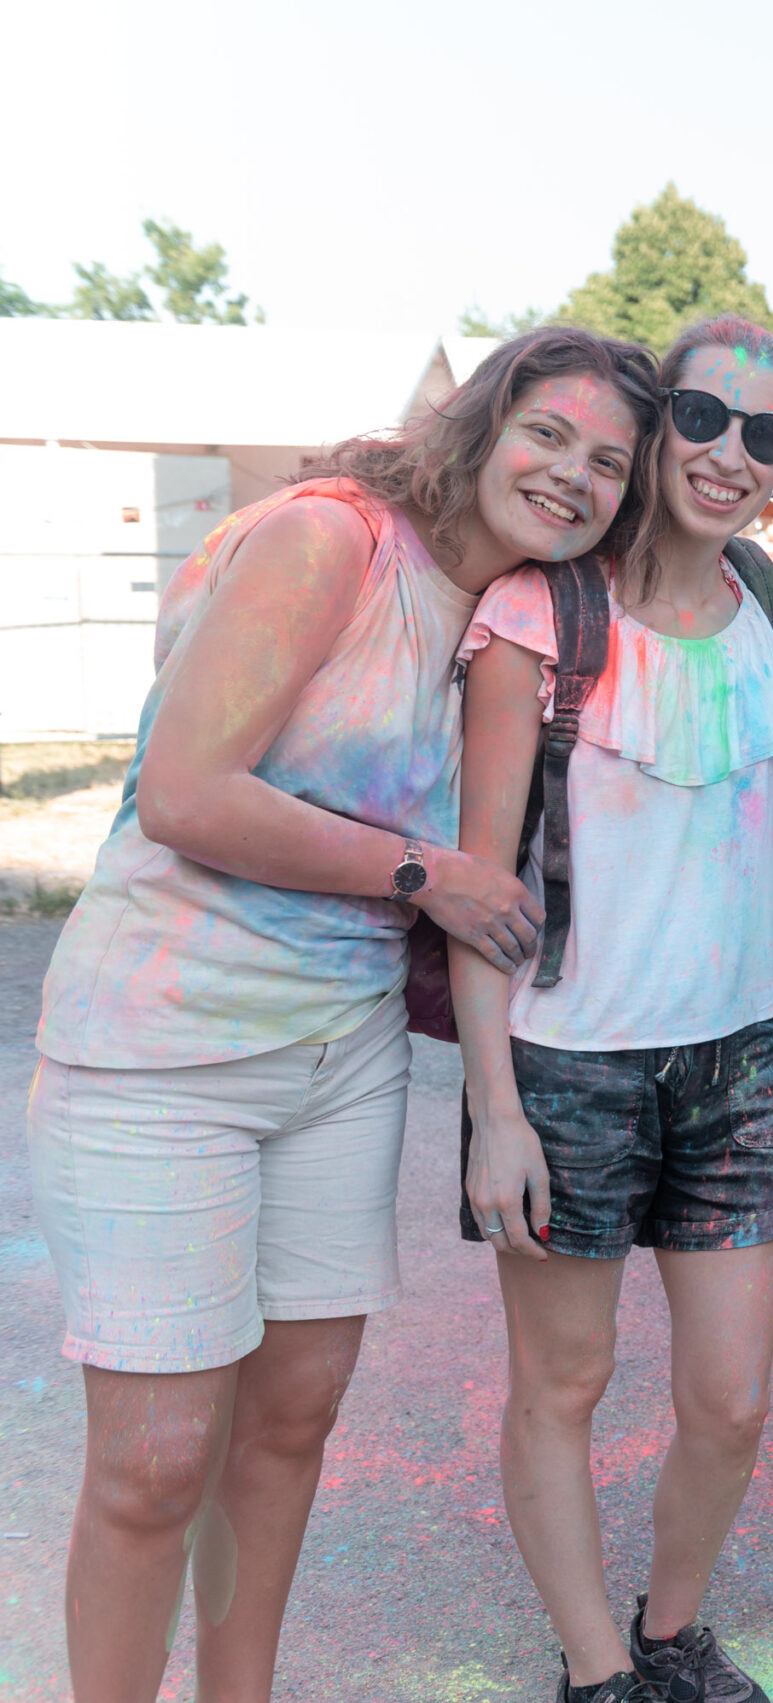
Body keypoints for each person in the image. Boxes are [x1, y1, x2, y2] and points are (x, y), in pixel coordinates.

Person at [25, 325, 656, 1703]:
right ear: (482, 426)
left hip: (343, 1055)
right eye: (548, 433)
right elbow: (185, 791)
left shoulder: (512, 616)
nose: (573, 474)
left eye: (609, 463)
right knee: (152, 1461)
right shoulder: (333, 539)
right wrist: (427, 872)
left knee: (292, 1421)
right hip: (161, 1052)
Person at [453, 314, 773, 1703]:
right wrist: (495, 1111)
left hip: (737, 1062)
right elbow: (481, 885)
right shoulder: (538, 612)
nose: (730, 454)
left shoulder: (771, 599)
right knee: (565, 1381)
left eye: (766, 434)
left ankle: (672, 1629)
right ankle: (598, 1667)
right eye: (704, 417)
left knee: (730, 1396)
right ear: (660, 424)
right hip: (567, 1064)